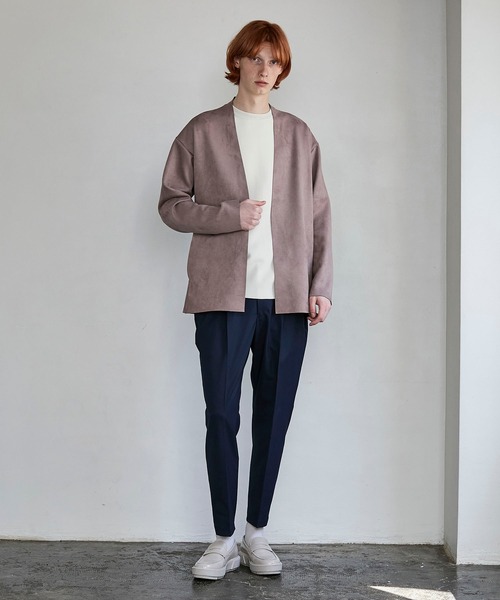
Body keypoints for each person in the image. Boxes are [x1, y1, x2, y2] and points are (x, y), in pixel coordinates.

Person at [158, 20, 333, 580]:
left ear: (282, 70)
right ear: (236, 62)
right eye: (255, 58)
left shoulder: (299, 136)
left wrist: (319, 285)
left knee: (273, 420)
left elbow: (320, 215)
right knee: (221, 416)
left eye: (274, 61)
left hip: (286, 301)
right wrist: (229, 214)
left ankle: (256, 532)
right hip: (222, 298)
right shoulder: (202, 131)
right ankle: (223, 538)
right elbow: (171, 205)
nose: (264, 69)